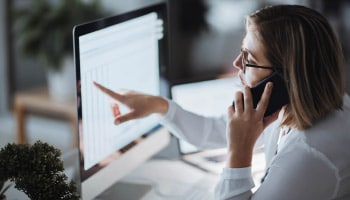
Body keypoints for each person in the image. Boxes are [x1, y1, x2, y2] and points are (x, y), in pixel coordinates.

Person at [93, 4, 350, 200]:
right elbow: (215, 131)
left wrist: (239, 152)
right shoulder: (300, 106)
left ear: (284, 78)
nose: (237, 64)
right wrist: (158, 106)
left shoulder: (310, 155)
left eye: (248, 58)